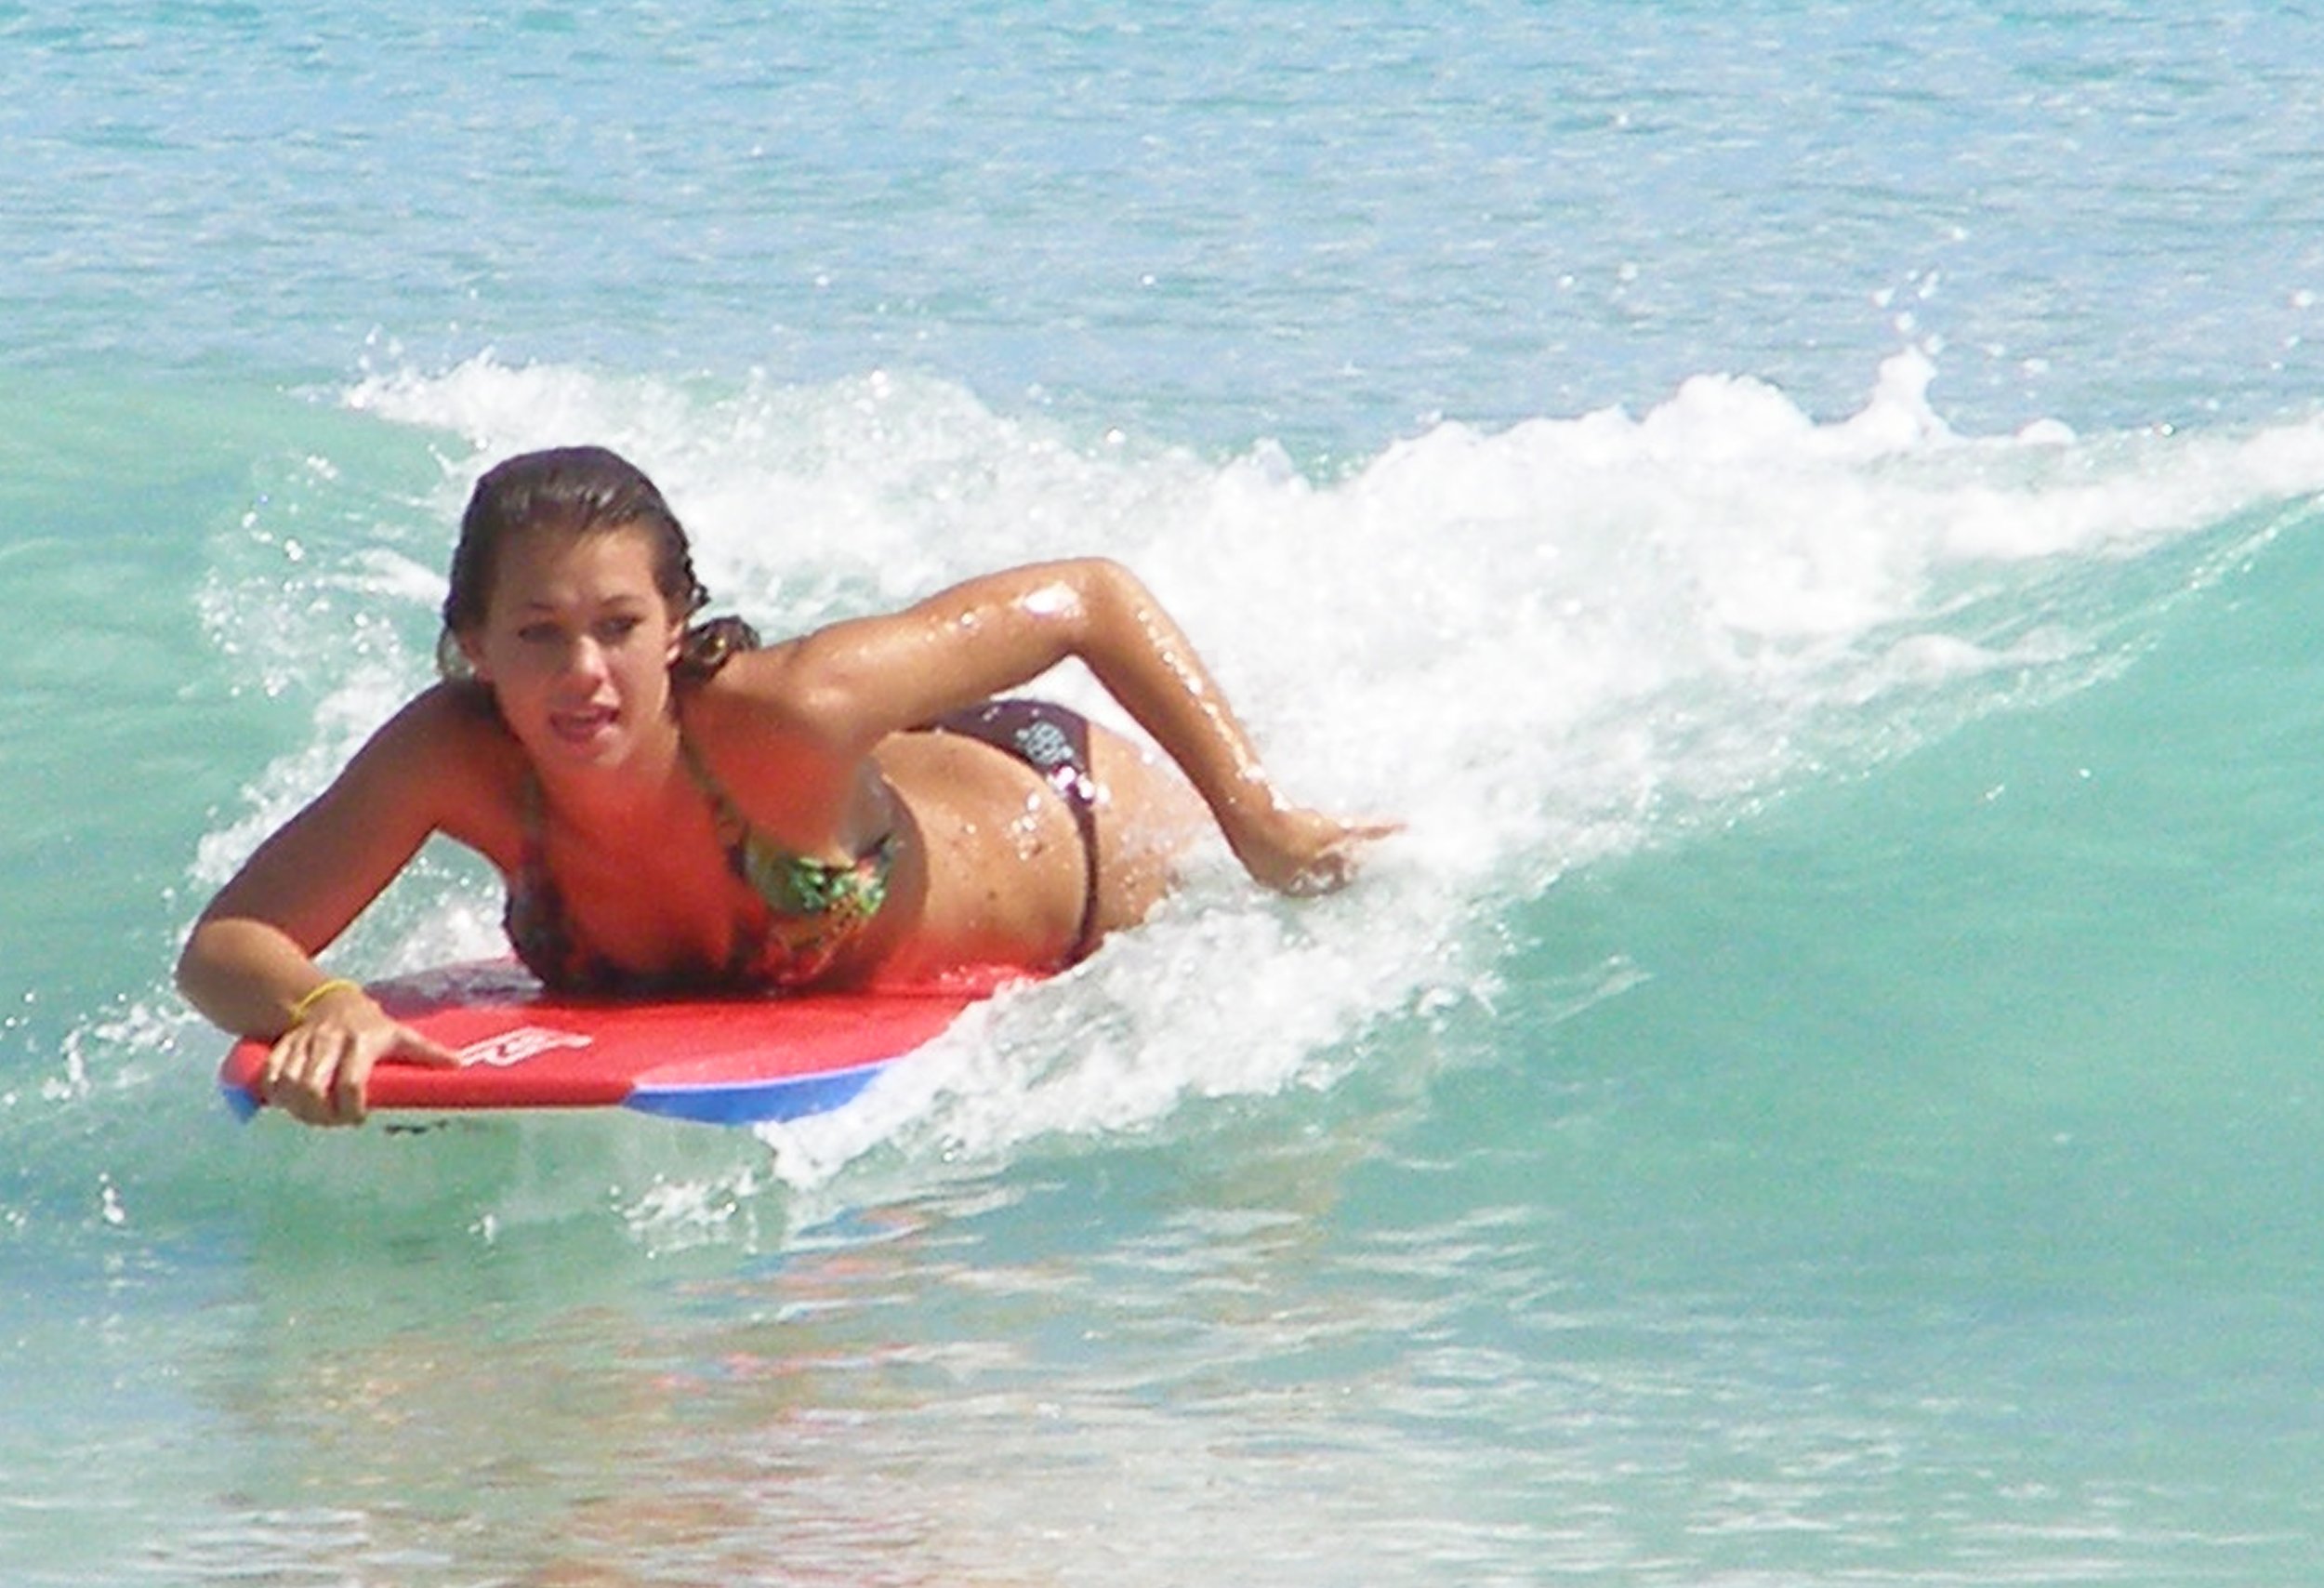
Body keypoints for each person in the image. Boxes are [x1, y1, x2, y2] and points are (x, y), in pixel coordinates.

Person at [178, 444, 1393, 1126]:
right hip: (875, 803)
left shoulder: (790, 704)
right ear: (474, 644)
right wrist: (321, 1001)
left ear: (675, 628)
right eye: (538, 633)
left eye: (618, 624)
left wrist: (1260, 822)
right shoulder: (451, 754)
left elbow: (1089, 597)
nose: (583, 673)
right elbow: (228, 946)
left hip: (1057, 813)